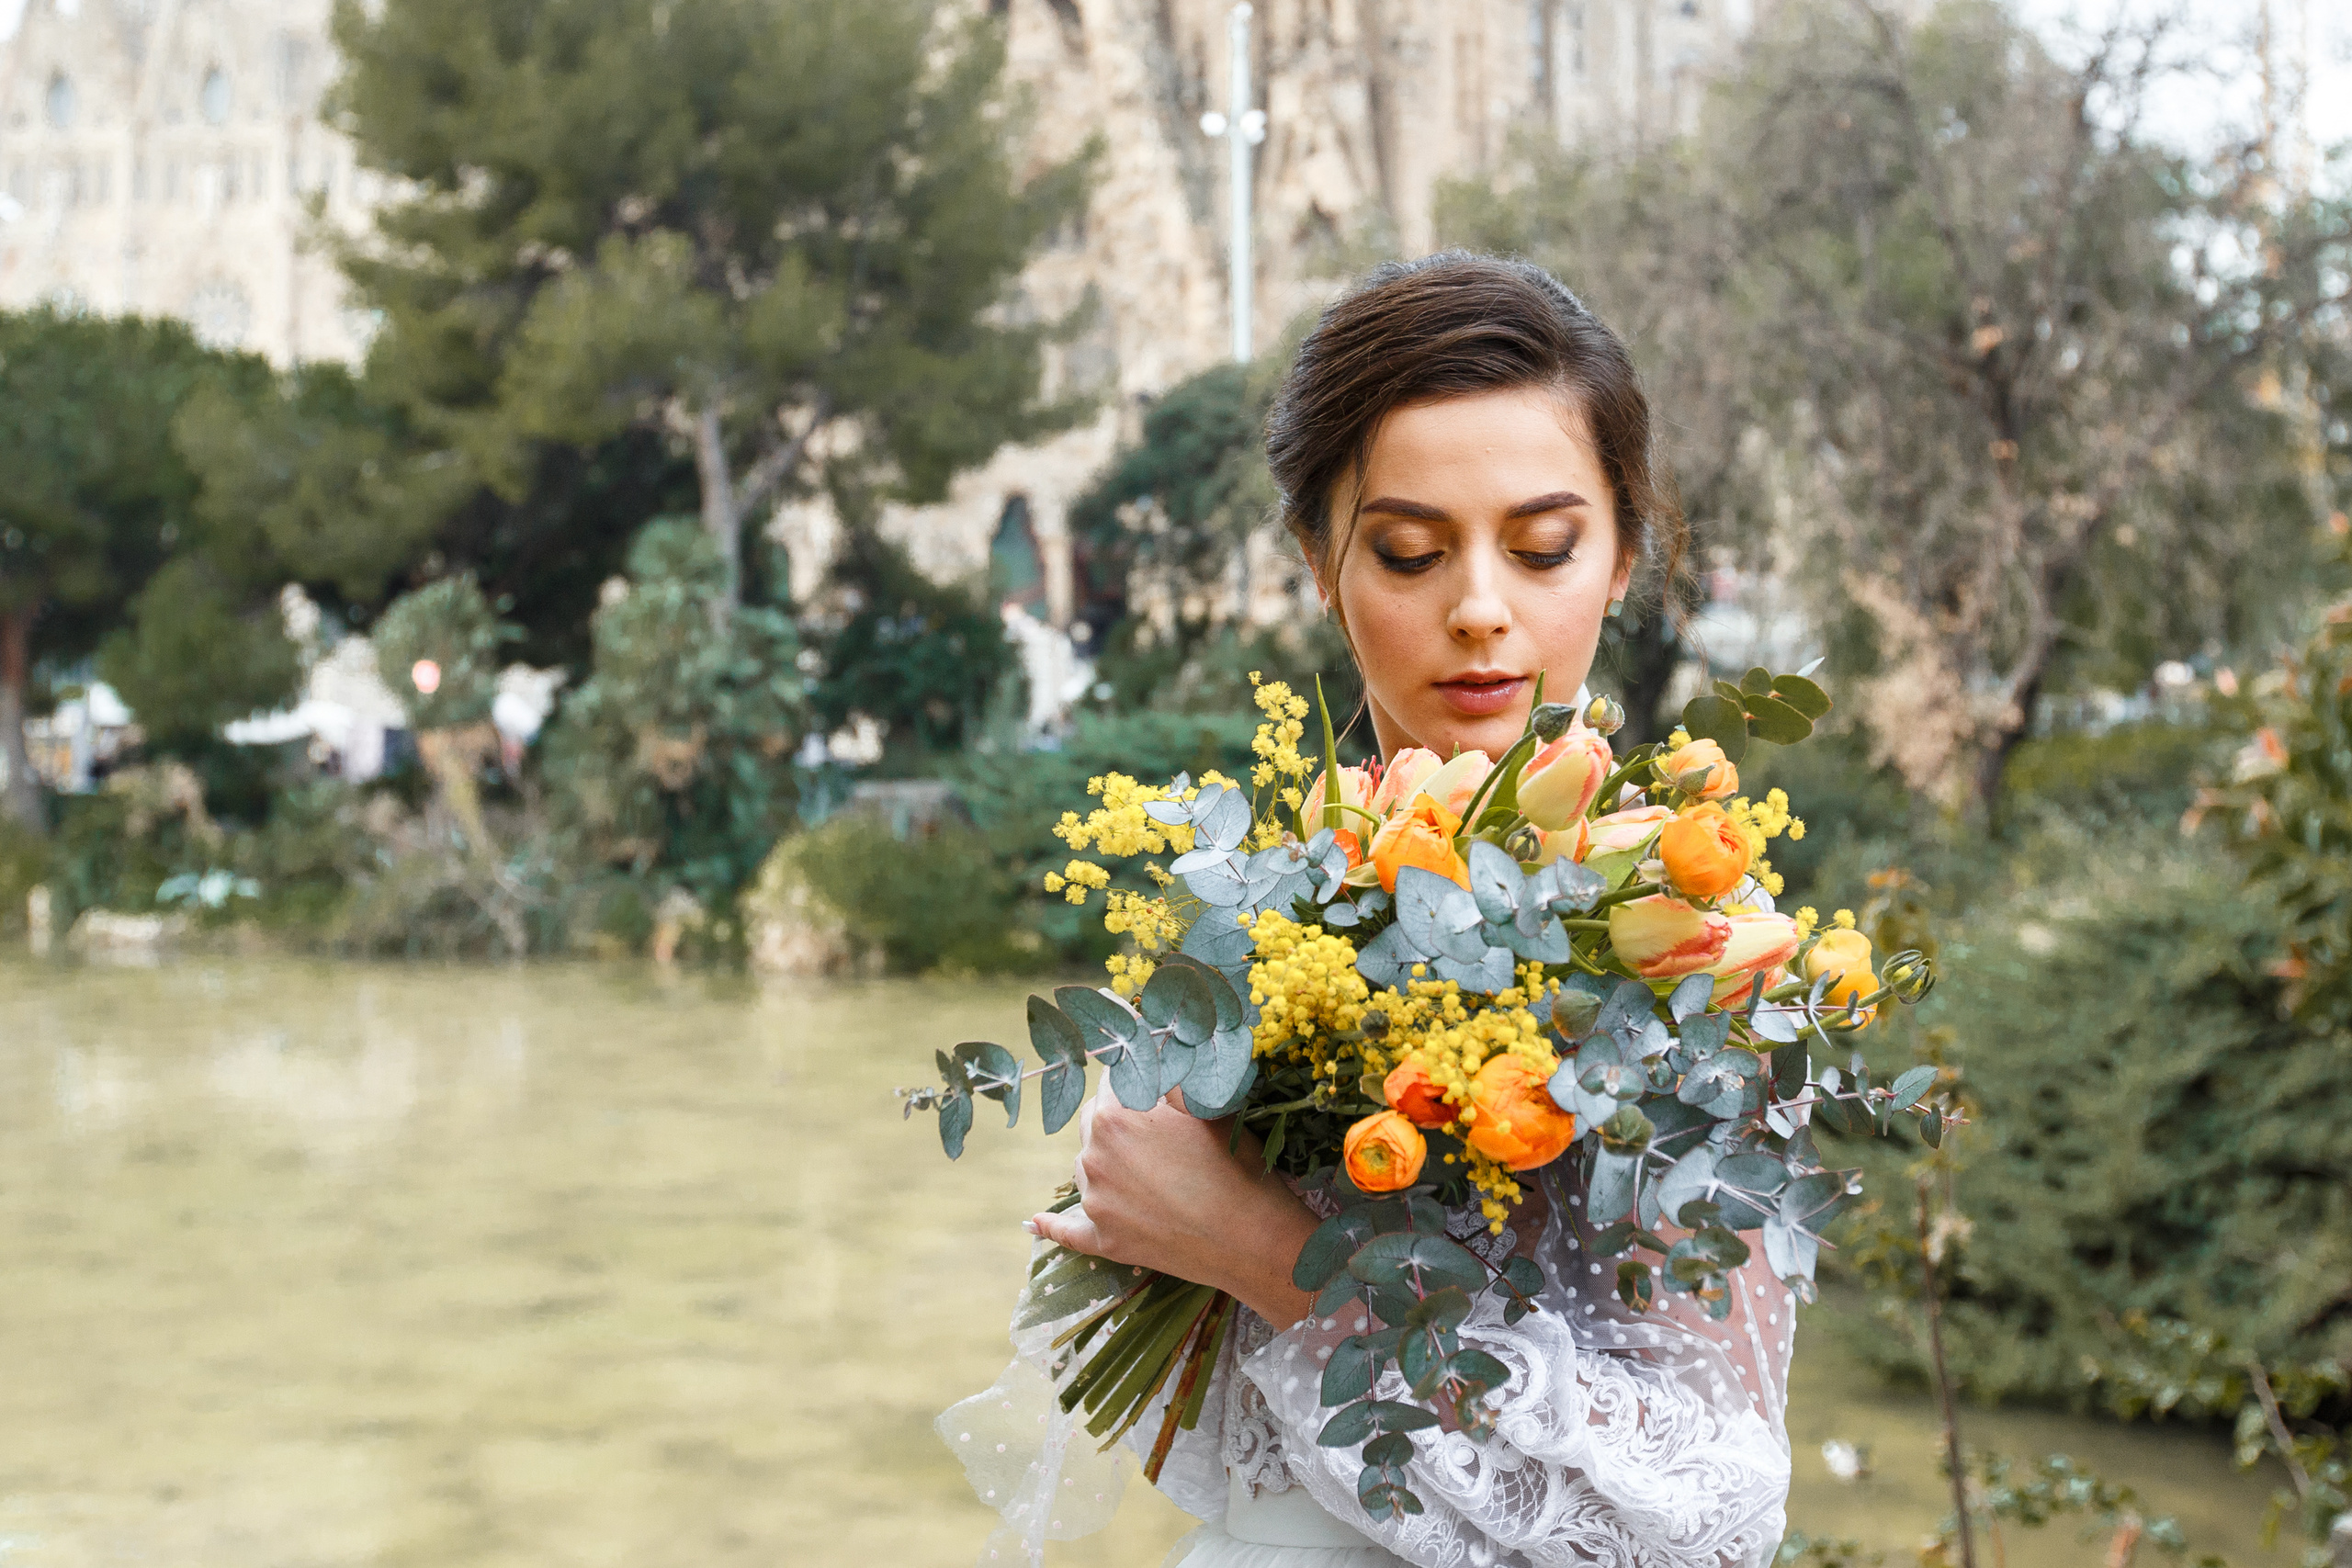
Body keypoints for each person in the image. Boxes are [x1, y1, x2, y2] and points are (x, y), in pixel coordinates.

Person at [944, 253, 1794, 1568]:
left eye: (1544, 548)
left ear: (1622, 555)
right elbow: (1207, 1439)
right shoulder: (1267, 898)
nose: (1480, 610)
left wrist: (1261, 1248)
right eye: (1408, 551)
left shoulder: (1689, 949)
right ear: (1317, 560)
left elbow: (1715, 1522)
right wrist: (1142, 1201)